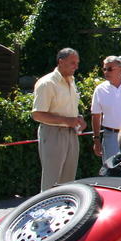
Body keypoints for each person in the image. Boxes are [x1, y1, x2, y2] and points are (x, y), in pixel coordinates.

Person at [31, 48, 86, 191]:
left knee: (68, 181)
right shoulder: (47, 83)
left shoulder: (71, 81)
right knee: (52, 181)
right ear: (61, 62)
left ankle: (64, 210)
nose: (76, 66)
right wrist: (68, 121)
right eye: (72, 63)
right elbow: (37, 114)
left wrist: (78, 119)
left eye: (77, 63)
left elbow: (66, 108)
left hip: (71, 134)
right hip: (53, 133)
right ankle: (47, 212)